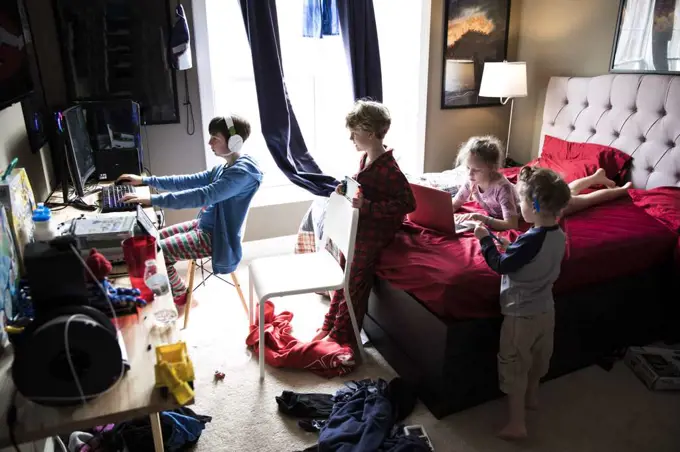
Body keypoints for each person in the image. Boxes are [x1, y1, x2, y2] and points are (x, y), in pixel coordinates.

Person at [117, 115, 263, 306]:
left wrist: (152, 199)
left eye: (215, 137)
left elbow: (202, 195)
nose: (210, 142)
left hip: (217, 237)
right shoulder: (225, 168)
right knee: (151, 240)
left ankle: (181, 298)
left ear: (234, 142)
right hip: (204, 226)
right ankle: (165, 292)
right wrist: (145, 180)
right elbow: (187, 180)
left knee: (156, 252)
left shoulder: (242, 173)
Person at [474, 166, 571, 440]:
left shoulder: (529, 241)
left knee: (515, 365)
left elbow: (501, 266)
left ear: (535, 205)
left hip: (521, 315)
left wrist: (485, 241)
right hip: (546, 311)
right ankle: (533, 397)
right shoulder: (559, 235)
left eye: (522, 201)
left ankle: (517, 424)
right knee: (539, 358)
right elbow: (532, 259)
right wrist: (510, 246)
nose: (519, 206)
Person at [312, 100, 416, 348]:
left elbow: (408, 204)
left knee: (354, 285)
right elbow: (366, 190)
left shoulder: (389, 168)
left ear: (370, 133)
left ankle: (343, 337)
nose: (351, 138)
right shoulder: (366, 159)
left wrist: (368, 207)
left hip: (375, 233)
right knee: (343, 276)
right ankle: (330, 325)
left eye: (354, 133)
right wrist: (346, 191)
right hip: (360, 228)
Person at [451, 136, 633, 230]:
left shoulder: (502, 188)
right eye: (468, 168)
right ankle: (596, 177)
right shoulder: (471, 180)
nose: (470, 173)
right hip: (535, 196)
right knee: (568, 189)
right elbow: (456, 203)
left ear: (492, 168)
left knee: (583, 201)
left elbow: (512, 224)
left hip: (541, 203)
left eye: (475, 169)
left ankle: (621, 191)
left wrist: (482, 219)